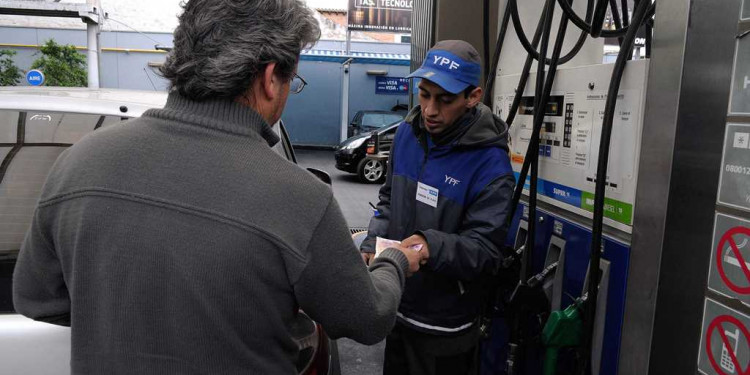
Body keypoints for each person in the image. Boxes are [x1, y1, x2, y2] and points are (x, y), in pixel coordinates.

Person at [12, 0, 426, 374]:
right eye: (292, 81)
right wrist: (393, 262)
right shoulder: (298, 197)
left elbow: (35, 297)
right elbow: (366, 319)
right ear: (269, 78)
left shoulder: (80, 161)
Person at [360, 40, 515, 375]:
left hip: (445, 329)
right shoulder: (407, 134)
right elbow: (387, 200)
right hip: (397, 306)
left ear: (472, 97)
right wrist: (373, 242)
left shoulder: (491, 165)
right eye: (424, 94)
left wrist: (429, 246)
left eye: (444, 100)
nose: (430, 110)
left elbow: (486, 251)